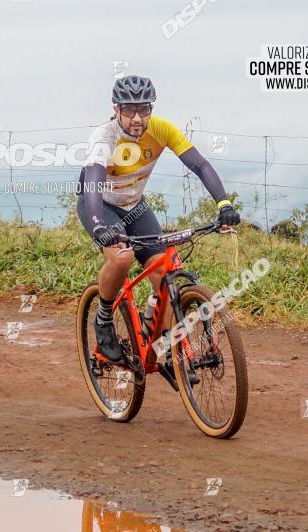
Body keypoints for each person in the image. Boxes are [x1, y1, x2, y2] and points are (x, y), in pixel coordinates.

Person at [77, 75, 240, 363]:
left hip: (135, 206)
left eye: (144, 109)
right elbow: (92, 185)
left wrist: (224, 203)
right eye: (129, 110)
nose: (137, 118)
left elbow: (199, 165)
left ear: (151, 108)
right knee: (122, 258)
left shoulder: (162, 129)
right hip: (100, 205)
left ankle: (164, 347)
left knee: (162, 270)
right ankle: (103, 321)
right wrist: (99, 226)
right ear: (116, 110)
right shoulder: (104, 137)